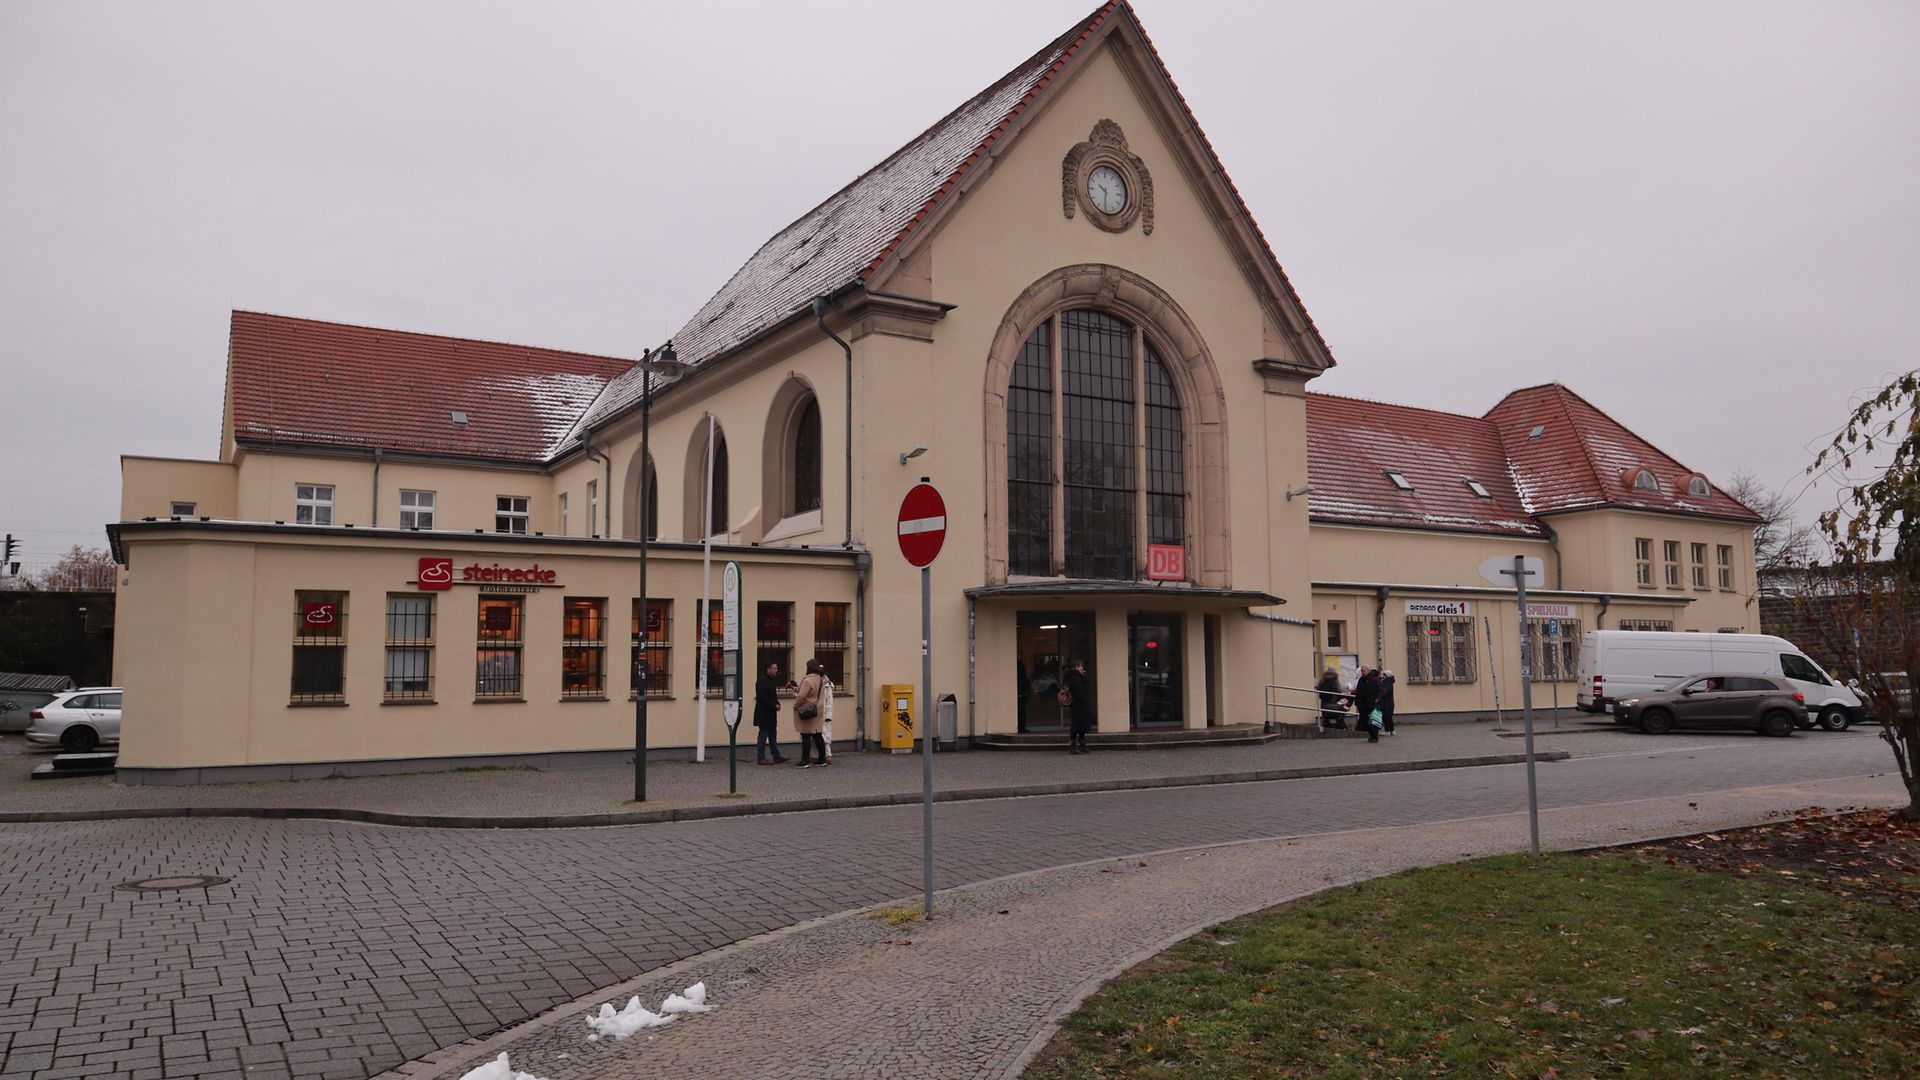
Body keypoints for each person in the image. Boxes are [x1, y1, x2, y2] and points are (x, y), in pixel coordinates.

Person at [792, 659, 830, 767]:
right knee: (818, 735)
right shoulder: (820, 679)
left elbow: (801, 696)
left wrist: (795, 705)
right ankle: (822, 759)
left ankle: (805, 760)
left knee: (805, 735)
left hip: (807, 710)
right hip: (817, 709)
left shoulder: (807, 680)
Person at [754, 661, 787, 765]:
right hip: (763, 712)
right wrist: (773, 705)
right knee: (763, 735)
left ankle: (776, 755)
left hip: (771, 712)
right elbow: (762, 697)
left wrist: (777, 703)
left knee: (773, 735)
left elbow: (773, 696)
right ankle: (761, 758)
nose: (776, 671)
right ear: (768, 669)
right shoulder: (762, 681)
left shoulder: (771, 680)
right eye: (774, 669)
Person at [1063, 658, 1094, 754]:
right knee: (1077, 725)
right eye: (1081, 666)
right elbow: (1079, 692)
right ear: (1076, 667)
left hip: (1077, 704)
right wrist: (1084, 702)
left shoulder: (1075, 677)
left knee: (1080, 725)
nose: (1082, 668)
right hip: (1079, 704)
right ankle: (1075, 746)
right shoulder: (1076, 678)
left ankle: (1081, 745)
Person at [1353, 666, 1382, 743]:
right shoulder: (1361, 680)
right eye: (1361, 671)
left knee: (1373, 721)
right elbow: (1359, 690)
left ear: (1368, 671)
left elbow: (1381, 690)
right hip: (1363, 704)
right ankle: (1370, 734)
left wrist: (1377, 698)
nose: (1362, 672)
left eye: (1364, 671)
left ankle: (1374, 736)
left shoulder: (1375, 679)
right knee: (1364, 720)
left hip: (1373, 703)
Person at [819, 666, 836, 764]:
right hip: (816, 713)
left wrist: (828, 715)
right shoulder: (816, 683)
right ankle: (814, 755)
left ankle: (828, 754)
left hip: (825, 714)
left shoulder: (827, 686)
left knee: (825, 735)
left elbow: (830, 702)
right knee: (816, 735)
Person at [1379, 669, 1397, 736]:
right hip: (1389, 702)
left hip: (1386, 702)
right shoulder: (1390, 682)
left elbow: (1384, 692)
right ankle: (1392, 730)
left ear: (1386, 676)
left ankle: (1387, 730)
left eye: (1383, 675)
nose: (1382, 676)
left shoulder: (1386, 683)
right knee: (1389, 717)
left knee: (1386, 716)